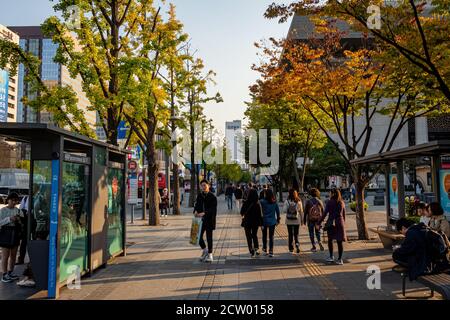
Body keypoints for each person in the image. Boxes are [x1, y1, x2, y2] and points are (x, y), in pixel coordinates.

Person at [0, 192, 23, 283]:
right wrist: (9, 219)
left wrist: (19, 220)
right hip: (6, 233)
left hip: (15, 233)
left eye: (15, 200)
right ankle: (4, 274)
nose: (14, 202)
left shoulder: (18, 210)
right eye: (12, 200)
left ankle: (10, 272)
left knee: (13, 255)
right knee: (5, 255)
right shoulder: (3, 210)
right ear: (8, 200)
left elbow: (23, 222)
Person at [320, 188, 347, 265]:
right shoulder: (341, 202)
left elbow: (324, 214)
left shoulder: (329, 202)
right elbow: (343, 214)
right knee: (339, 241)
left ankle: (331, 256)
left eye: (330, 192)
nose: (329, 194)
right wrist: (343, 223)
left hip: (331, 223)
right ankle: (340, 259)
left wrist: (319, 222)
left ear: (332, 193)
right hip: (339, 223)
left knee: (330, 239)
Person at [194, 180, 218, 263]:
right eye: (202, 186)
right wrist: (195, 211)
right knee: (198, 237)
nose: (203, 187)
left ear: (208, 185)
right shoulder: (200, 196)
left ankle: (210, 254)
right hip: (200, 220)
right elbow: (197, 205)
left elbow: (213, 210)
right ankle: (205, 250)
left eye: (205, 185)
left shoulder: (212, 197)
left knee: (209, 237)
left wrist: (204, 213)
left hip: (209, 220)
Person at [240, 188, 263, 257]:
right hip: (255, 222)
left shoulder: (246, 203)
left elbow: (241, 212)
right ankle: (256, 248)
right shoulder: (257, 204)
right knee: (254, 235)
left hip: (247, 222)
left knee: (248, 236)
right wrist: (261, 224)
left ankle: (251, 250)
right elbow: (260, 215)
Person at [260, 189, 280, 257]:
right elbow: (278, 212)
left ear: (266, 194)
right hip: (272, 221)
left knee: (264, 235)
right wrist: (278, 220)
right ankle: (271, 251)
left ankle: (265, 248)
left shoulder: (262, 201)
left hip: (264, 221)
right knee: (271, 236)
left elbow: (260, 212)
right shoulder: (274, 202)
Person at [282, 189, 304, 254]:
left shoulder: (287, 201)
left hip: (289, 220)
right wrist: (302, 220)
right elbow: (301, 211)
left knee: (290, 234)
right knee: (296, 234)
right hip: (297, 220)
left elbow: (284, 210)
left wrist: (289, 208)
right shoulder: (299, 201)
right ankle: (297, 245)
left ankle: (291, 249)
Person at [304, 188, 325, 252]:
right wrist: (322, 220)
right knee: (318, 232)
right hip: (318, 220)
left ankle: (314, 246)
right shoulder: (320, 201)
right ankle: (319, 242)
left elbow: (305, 212)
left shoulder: (308, 201)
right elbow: (323, 211)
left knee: (311, 233)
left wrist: (304, 220)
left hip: (310, 220)